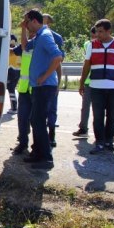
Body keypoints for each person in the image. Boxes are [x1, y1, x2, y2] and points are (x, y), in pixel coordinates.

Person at [79, 19, 114, 154]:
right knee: (98, 116)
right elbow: (86, 65)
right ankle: (99, 142)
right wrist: (82, 82)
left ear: (109, 31)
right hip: (96, 86)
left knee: (112, 116)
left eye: (101, 32)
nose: (98, 35)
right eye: (97, 31)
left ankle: (109, 142)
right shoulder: (92, 45)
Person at [24, 9, 63, 169]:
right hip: (39, 86)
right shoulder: (39, 36)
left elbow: (58, 57)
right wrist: (23, 29)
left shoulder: (46, 36)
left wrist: (45, 76)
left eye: (27, 22)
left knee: (38, 121)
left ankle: (46, 158)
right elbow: (25, 47)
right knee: (35, 120)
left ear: (34, 21)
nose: (25, 25)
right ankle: (38, 153)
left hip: (45, 86)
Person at [11, 19, 35, 155]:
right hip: (25, 88)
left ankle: (37, 146)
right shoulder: (25, 45)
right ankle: (23, 143)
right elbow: (14, 51)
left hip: (37, 88)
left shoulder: (41, 41)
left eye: (29, 30)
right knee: (22, 118)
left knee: (36, 120)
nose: (28, 33)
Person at [42, 14, 64, 147]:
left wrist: (58, 83)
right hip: (36, 80)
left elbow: (59, 60)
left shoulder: (56, 37)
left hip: (50, 80)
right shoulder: (33, 34)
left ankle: (51, 135)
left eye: (45, 20)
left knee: (51, 109)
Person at [73, 26, 96, 138]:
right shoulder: (88, 44)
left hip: (99, 82)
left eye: (95, 36)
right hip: (88, 81)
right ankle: (83, 128)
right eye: (92, 36)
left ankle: (100, 132)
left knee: (99, 108)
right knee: (85, 106)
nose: (93, 38)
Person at [6, 34, 21, 114]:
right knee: (12, 88)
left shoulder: (11, 50)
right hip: (18, 71)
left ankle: (14, 107)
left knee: (11, 88)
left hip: (12, 70)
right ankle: (14, 106)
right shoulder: (18, 48)